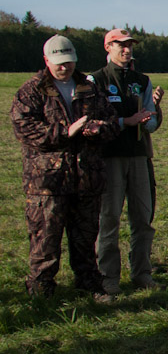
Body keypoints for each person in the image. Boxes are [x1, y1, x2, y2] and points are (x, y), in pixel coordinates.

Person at [10, 35, 119, 301]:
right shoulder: (31, 90)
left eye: (69, 62)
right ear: (46, 60)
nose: (64, 67)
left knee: (85, 240)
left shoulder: (89, 87)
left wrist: (99, 129)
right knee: (45, 243)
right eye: (59, 63)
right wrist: (65, 132)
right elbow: (24, 130)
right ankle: (42, 294)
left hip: (87, 180)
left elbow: (113, 123)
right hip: (48, 184)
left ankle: (90, 287)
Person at [91, 28, 161, 294]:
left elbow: (151, 120)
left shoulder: (142, 80)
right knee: (108, 219)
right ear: (108, 47)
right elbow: (93, 119)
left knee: (143, 218)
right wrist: (125, 121)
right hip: (109, 157)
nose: (126, 49)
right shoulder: (95, 80)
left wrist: (149, 118)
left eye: (130, 45)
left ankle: (142, 273)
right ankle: (108, 279)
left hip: (139, 155)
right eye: (120, 45)